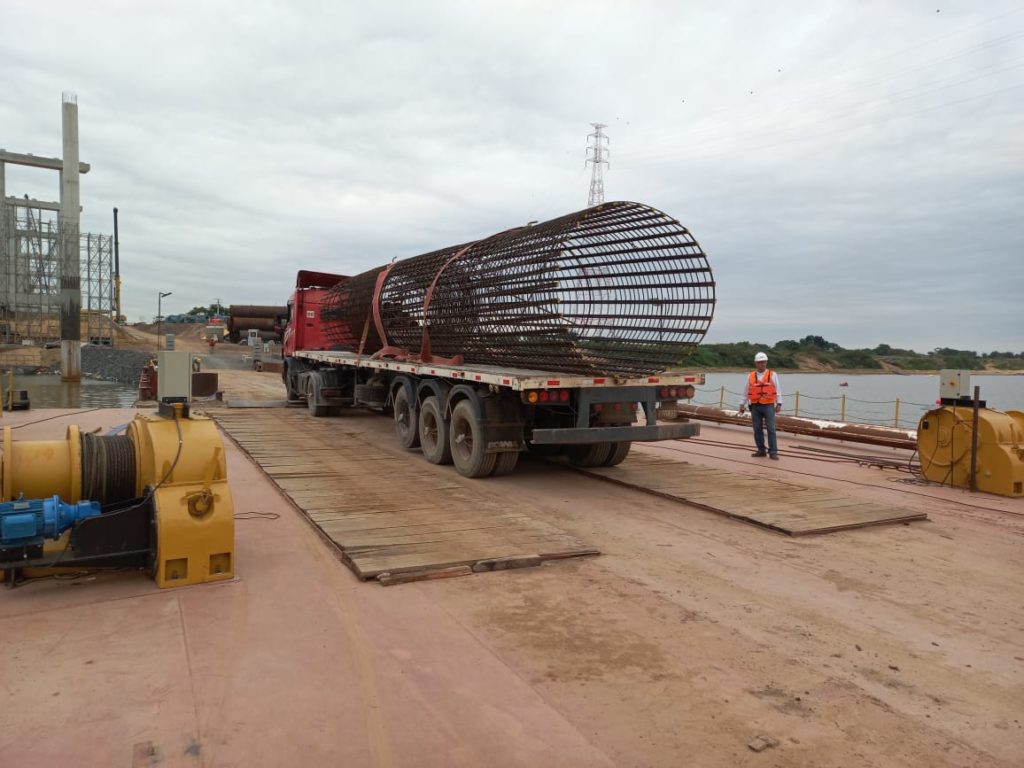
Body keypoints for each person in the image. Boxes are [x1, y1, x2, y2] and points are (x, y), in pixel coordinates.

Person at [738, 351, 783, 459]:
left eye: (763, 362)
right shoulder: (751, 376)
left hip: (768, 405)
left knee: (771, 429)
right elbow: (745, 391)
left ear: (766, 362)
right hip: (755, 406)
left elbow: (778, 389)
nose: (762, 364)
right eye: (759, 362)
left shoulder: (773, 374)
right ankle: (761, 450)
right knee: (757, 429)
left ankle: (773, 452)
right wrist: (741, 404)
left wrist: (779, 403)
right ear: (756, 363)